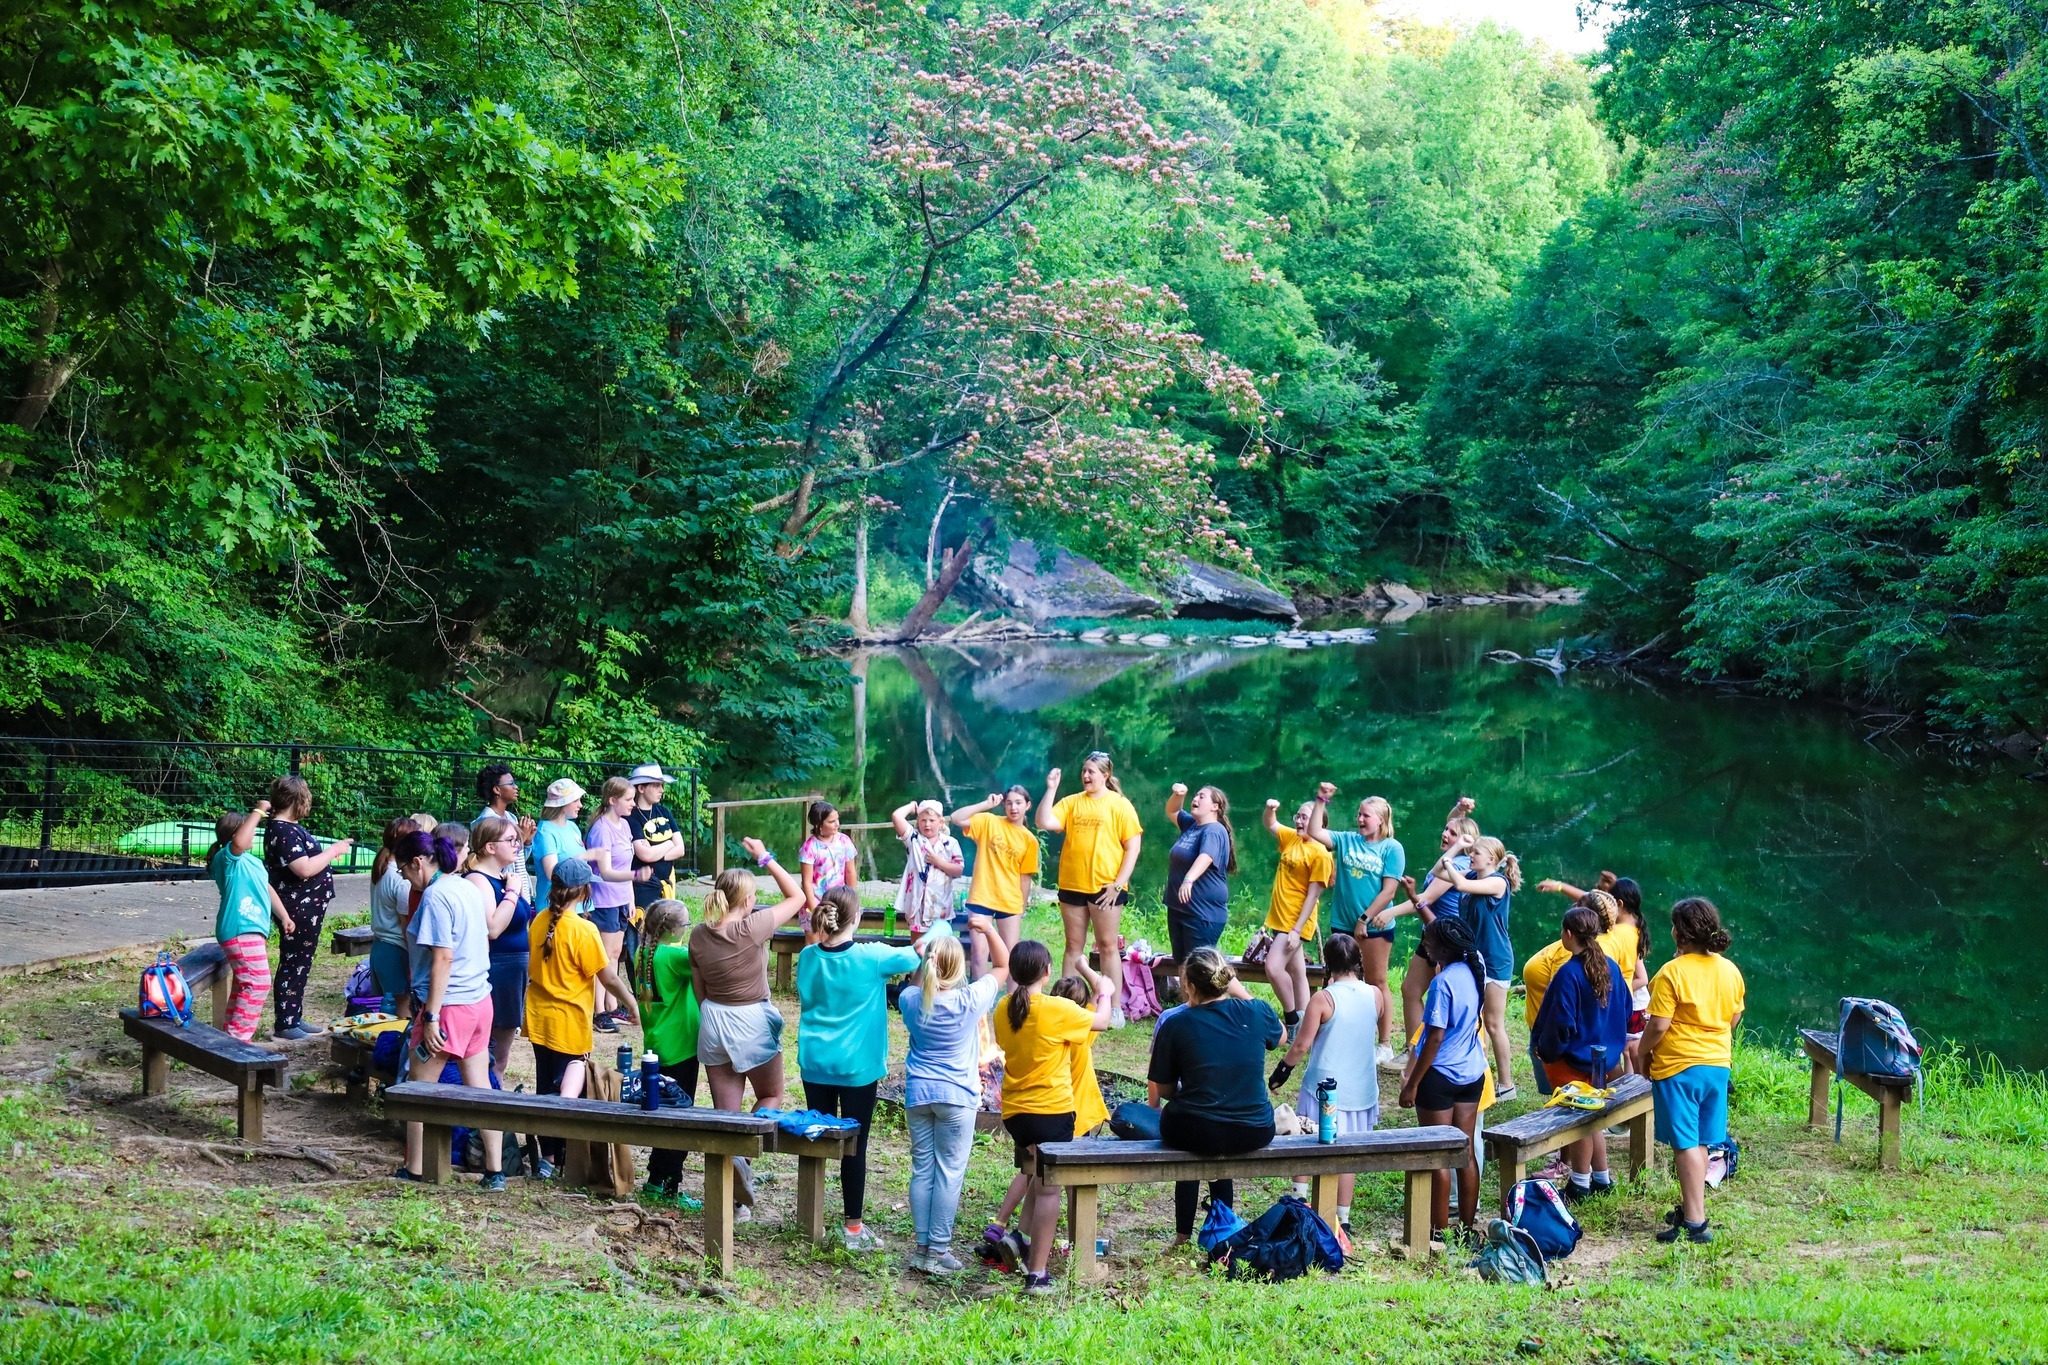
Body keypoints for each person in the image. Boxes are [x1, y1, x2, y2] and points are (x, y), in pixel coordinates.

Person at [797, 886, 924, 1250]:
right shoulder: (873, 958)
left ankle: (811, 1216)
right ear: (856, 918)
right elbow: (916, 956)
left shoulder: (807, 957)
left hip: (815, 1063)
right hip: (857, 1068)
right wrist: (938, 931)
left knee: (816, 1138)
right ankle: (853, 1229)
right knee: (855, 1146)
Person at [691, 837, 805, 1221]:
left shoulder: (697, 935)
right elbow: (799, 896)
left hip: (713, 1020)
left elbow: (700, 992)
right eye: (754, 896)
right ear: (745, 900)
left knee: (726, 1114)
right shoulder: (750, 928)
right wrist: (766, 857)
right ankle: (741, 1156)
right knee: (771, 1094)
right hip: (751, 1020)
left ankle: (733, 1204)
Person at [990, 940, 1112, 1296]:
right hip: (1052, 1113)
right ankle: (1037, 1274)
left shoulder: (1002, 1008)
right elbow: (1101, 1022)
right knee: (1048, 1192)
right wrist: (1104, 992)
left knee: (1034, 1175)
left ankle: (1021, 1239)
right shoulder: (1056, 1008)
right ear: (1046, 973)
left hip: (1015, 1114)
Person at [392, 829, 507, 1189]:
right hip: (479, 1001)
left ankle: (414, 1168)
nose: (404, 879)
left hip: (449, 1007)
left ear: (417, 863)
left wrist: (431, 1016)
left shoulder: (436, 896)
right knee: (482, 1090)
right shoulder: (467, 887)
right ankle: (495, 1170)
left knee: (417, 1090)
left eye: (403, 871)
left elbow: (443, 956)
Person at [899, 917, 1011, 1275]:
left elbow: (920, 985)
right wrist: (989, 929)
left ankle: (921, 1250)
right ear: (959, 967)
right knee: (949, 1173)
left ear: (927, 965)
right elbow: (1003, 965)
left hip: (919, 1095)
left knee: (923, 1170)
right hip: (957, 1098)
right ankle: (937, 1252)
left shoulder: (910, 1000)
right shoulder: (969, 1000)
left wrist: (922, 958)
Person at [1149, 948, 1283, 1244]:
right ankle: (1225, 1233)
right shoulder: (1257, 1011)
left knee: (1195, 1128)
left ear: (1190, 987)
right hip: (1255, 1129)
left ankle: (1182, 1237)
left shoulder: (1175, 1024)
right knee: (1211, 1127)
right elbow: (1282, 1035)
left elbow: (1167, 1091)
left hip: (1197, 1131)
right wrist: (1242, 993)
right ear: (1227, 980)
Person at [523, 856, 640, 1174]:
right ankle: (562, 1157)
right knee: (567, 1090)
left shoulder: (539, 921)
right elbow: (608, 977)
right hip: (568, 1020)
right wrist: (630, 1001)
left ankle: (546, 1157)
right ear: (584, 892)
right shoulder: (584, 930)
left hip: (538, 1016)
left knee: (545, 1083)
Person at [1639, 897, 1744, 1244]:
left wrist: (1642, 1054)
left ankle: (1696, 1224)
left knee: (1684, 1144)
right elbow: (1733, 1018)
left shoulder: (1672, 973)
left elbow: (1658, 1026)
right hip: (1717, 1067)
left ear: (1679, 933)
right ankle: (1691, 1208)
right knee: (1699, 1141)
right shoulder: (1729, 970)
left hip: (1679, 1067)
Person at [1268, 934, 1378, 1239]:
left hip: (1324, 1090)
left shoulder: (1324, 998)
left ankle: (1299, 1201)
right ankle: (1342, 1219)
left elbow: (1302, 1044)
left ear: (1327, 963)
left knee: (1308, 1142)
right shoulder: (1376, 995)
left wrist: (1282, 1071)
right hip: (1362, 1090)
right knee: (1349, 1154)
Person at [1529, 905, 1632, 1200]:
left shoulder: (1569, 973)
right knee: (1593, 1116)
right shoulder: (1610, 966)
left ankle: (1579, 1184)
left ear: (1569, 934)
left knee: (1580, 1119)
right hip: (1603, 1060)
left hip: (1571, 1060)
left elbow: (1560, 1023)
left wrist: (1546, 1051)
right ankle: (1601, 1178)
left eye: (1562, 930)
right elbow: (1625, 1010)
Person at [1398, 915, 1489, 1242]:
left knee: (1438, 1155)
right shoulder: (1474, 965)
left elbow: (1434, 1039)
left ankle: (1438, 1231)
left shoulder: (1443, 983)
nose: (1425, 946)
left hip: (1440, 1077)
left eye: (1429, 942)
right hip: (1472, 1073)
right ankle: (1467, 1227)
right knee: (1464, 1152)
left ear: (1443, 948)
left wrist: (1412, 1084)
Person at [1037, 753, 1143, 1026]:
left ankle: (1115, 1007)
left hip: (1106, 887)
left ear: (1105, 775)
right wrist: (1051, 789)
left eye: (1091, 772)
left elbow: (1133, 847)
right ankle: (1066, 1003)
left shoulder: (1119, 805)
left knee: (1107, 946)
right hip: (1073, 885)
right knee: (1073, 945)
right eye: (1084, 771)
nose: (1086, 776)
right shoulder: (1072, 802)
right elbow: (1044, 822)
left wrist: (1118, 884)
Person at [1377, 797, 1478, 1068]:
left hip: (1448, 942)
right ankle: (1413, 1050)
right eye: (1446, 831)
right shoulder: (1451, 859)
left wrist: (1389, 912)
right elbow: (1452, 822)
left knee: (1442, 1000)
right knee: (1410, 989)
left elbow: (1425, 899)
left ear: (1465, 842)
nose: (1445, 834)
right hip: (1431, 936)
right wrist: (1459, 809)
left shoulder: (1457, 867)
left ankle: (1438, 1055)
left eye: (1453, 833)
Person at [1307, 784, 1403, 1065]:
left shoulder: (1391, 848)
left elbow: (1388, 891)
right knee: (1339, 981)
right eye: (1359, 815)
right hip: (1342, 923)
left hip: (1374, 927)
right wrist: (1321, 800)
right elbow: (1315, 832)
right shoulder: (1348, 840)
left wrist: (1364, 919)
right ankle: (1343, 1036)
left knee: (1376, 981)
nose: (1360, 820)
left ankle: (1384, 1043)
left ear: (1381, 820)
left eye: (1366, 816)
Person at [261, 775, 353, 1040]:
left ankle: (294, 1017)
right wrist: (334, 851)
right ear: (297, 801)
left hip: (307, 909)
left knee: (301, 962)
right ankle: (286, 1023)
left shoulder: (288, 827)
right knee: (293, 962)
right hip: (297, 910)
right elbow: (304, 868)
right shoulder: (282, 830)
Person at [1437, 833, 1522, 1100]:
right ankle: (1478, 1076)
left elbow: (1458, 884)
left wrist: (1455, 862)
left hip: (1495, 960)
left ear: (1492, 859)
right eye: (1470, 852)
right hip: (1472, 957)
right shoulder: (1473, 877)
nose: (1470, 856)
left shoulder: (1498, 882)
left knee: (1493, 1023)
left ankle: (1506, 1084)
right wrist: (1456, 847)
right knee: (1475, 1019)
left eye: (1475, 853)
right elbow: (1438, 870)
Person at [207, 804, 293, 1043]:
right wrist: (258, 811)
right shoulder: (226, 859)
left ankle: (231, 1037)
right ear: (236, 834)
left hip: (251, 930)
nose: (254, 832)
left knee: (246, 983)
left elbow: (267, 889)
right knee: (258, 982)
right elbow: (239, 844)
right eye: (251, 828)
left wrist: (284, 916)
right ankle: (239, 1039)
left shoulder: (252, 862)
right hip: (239, 929)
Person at [638, 897, 703, 1203]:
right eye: (688, 925)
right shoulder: (675, 958)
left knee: (663, 1116)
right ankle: (671, 1187)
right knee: (680, 1122)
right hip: (681, 1050)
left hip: (657, 1046)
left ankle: (654, 1179)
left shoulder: (645, 953)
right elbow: (706, 957)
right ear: (675, 930)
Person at [466, 815, 538, 1075]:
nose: (517, 845)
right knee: (489, 1053)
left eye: (517, 839)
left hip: (514, 971)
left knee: (501, 1055)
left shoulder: (505, 877)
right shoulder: (479, 880)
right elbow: (493, 928)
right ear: (490, 847)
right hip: (498, 968)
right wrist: (512, 892)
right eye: (511, 840)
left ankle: (494, 1097)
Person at [1260, 798, 1333, 1031]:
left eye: (1306, 817)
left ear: (1319, 823)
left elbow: (1313, 896)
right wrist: (1270, 810)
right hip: (1281, 918)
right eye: (1298, 816)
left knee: (1273, 967)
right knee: (1297, 972)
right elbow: (1270, 824)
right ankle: (1307, 1026)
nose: (1300, 821)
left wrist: (1297, 930)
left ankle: (1292, 1022)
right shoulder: (1293, 837)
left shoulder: (1321, 853)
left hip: (1295, 921)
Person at [949, 787, 1041, 971]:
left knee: (1010, 956)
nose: (1013, 808)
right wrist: (986, 804)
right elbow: (956, 818)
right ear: (1003, 805)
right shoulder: (989, 822)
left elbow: (1025, 878)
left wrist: (1021, 908)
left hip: (1010, 902)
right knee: (979, 954)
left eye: (1018, 803)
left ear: (1028, 805)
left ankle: (1013, 999)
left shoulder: (1030, 840)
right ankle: (980, 999)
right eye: (1009, 803)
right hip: (981, 897)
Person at [582, 777, 645, 1032]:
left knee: (615, 955)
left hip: (620, 898)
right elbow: (606, 872)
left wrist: (630, 896)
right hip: (604, 899)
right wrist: (636, 877)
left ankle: (611, 1005)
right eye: (628, 800)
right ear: (612, 800)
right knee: (604, 957)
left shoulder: (625, 825)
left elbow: (626, 864)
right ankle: (599, 1012)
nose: (633, 804)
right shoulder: (601, 829)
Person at [1160, 782, 1236, 965]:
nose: (1195, 799)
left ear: (1215, 807)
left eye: (1202, 796)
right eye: (1195, 796)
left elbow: (1207, 855)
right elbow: (1172, 811)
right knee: (1183, 965)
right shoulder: (1192, 825)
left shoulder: (1214, 829)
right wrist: (1179, 795)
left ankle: (1243, 996)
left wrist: (1188, 880)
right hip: (1180, 909)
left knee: (1200, 969)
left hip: (1202, 913)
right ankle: (1187, 995)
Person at [626, 765, 685, 986]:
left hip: (666, 886)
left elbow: (681, 849)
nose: (662, 790)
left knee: (665, 938)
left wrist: (655, 851)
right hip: (641, 889)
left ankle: (662, 985)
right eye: (656, 785)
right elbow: (644, 854)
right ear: (641, 787)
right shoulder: (631, 817)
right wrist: (667, 845)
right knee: (639, 940)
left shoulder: (664, 812)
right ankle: (639, 990)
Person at [369, 817, 426, 1016]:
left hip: (380, 947)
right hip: (396, 950)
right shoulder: (402, 879)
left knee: (390, 1006)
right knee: (402, 1011)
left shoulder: (383, 868)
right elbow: (405, 926)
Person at [891, 799, 964, 939]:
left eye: (931, 820)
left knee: (939, 950)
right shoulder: (913, 840)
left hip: (941, 908)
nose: (927, 824)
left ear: (941, 822)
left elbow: (959, 870)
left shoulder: (950, 843)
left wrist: (939, 862)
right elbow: (896, 817)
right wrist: (912, 806)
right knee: (918, 949)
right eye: (923, 820)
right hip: (918, 908)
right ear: (918, 822)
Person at [472, 762, 537, 900]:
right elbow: (494, 858)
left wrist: (527, 841)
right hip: (498, 888)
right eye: (511, 783)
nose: (516, 787)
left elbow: (516, 859)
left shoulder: (511, 817)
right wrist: (520, 838)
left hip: (516, 888)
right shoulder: (486, 821)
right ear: (497, 790)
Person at [799, 800, 861, 920]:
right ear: (819, 824)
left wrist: (852, 901)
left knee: (838, 936)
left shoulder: (844, 841)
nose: (837, 824)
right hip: (817, 901)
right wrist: (814, 910)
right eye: (831, 822)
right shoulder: (809, 848)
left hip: (839, 901)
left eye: (837, 819)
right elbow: (807, 882)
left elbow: (850, 872)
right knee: (815, 938)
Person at [531, 778, 588, 908]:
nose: (580, 805)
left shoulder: (572, 827)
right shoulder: (545, 832)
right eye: (575, 800)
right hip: (556, 907)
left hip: (579, 904)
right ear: (563, 804)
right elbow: (553, 874)